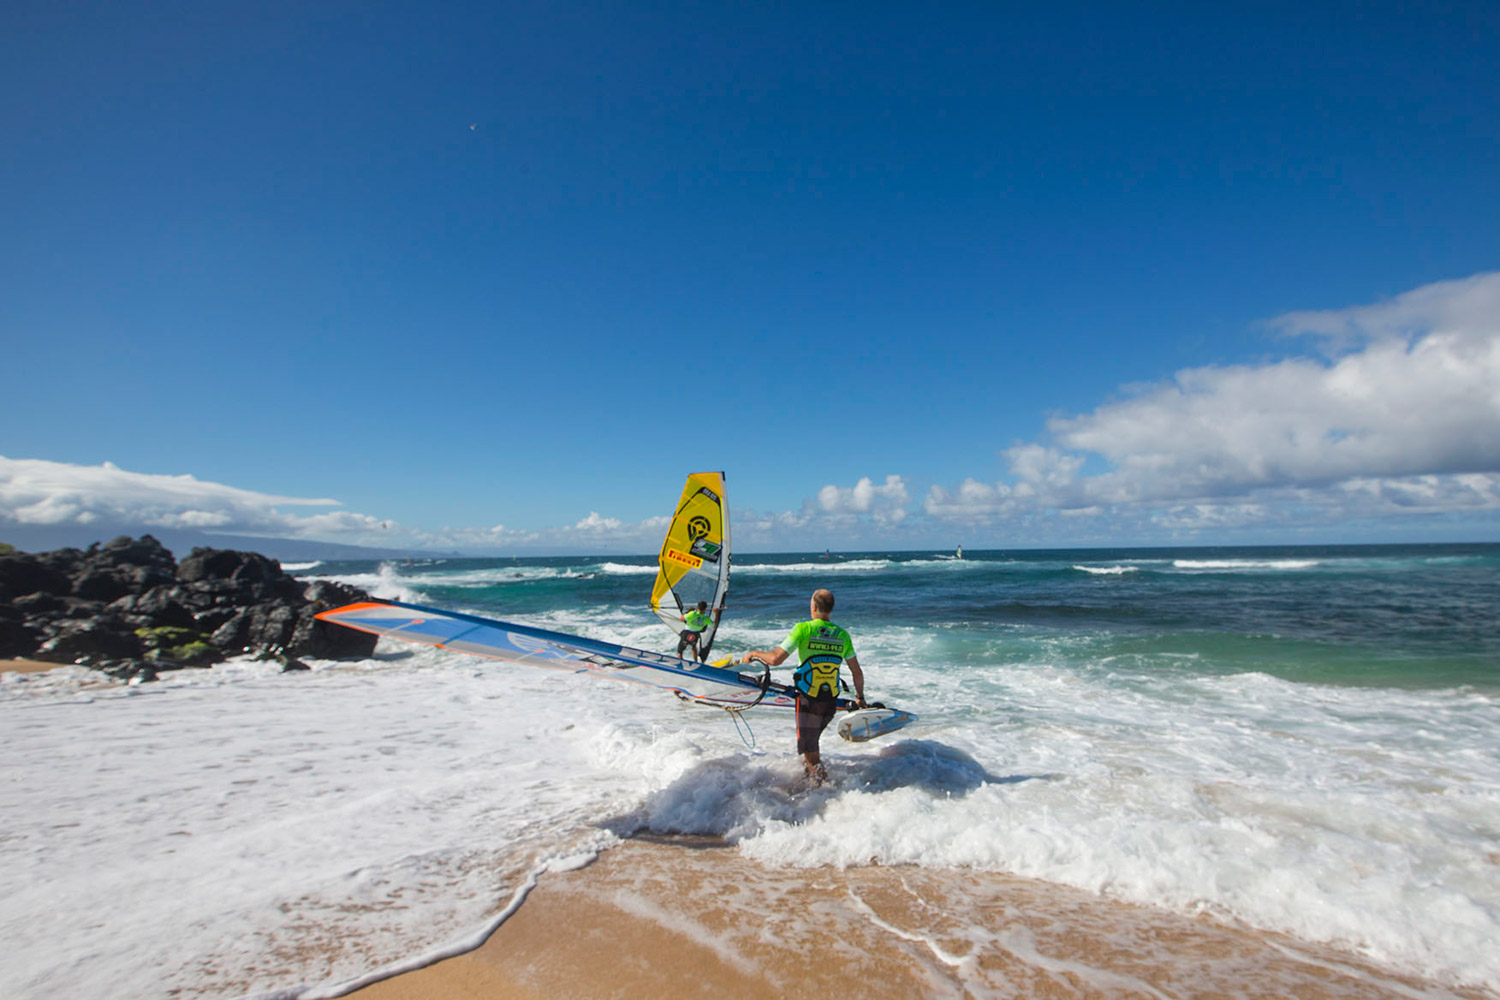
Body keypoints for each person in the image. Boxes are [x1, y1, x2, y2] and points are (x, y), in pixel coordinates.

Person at [739, 588, 865, 784]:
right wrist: (860, 697)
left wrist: (754, 653)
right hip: (829, 702)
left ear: (814, 607)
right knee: (811, 745)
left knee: (810, 751)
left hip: (808, 699)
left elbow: (775, 659)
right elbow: (857, 672)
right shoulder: (842, 635)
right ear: (830, 609)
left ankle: (824, 795)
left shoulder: (803, 629)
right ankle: (810, 785)